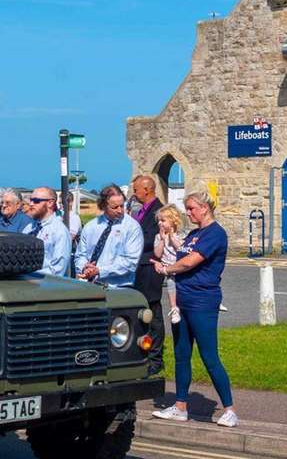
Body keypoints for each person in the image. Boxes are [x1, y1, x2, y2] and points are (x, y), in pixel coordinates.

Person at [150, 186, 237, 426]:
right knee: (181, 354)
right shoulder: (193, 235)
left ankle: (229, 409)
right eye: (187, 208)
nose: (188, 213)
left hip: (203, 300)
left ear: (205, 208)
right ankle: (180, 406)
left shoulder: (215, 234)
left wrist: (166, 269)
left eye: (191, 209)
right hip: (183, 300)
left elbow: (189, 262)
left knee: (209, 356)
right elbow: (180, 255)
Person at [129, 174, 166, 374]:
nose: (134, 194)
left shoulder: (158, 211)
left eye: (136, 190)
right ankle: (140, 351)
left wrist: (131, 241)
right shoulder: (140, 211)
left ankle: (155, 358)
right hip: (138, 267)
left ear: (147, 190)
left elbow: (153, 238)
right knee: (139, 313)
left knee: (153, 314)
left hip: (150, 266)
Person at [74, 184, 143, 287]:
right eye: (114, 207)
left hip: (118, 288)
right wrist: (84, 267)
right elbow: (81, 255)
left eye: (122, 206)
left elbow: (130, 262)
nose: (120, 210)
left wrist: (99, 271)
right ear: (103, 206)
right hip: (90, 286)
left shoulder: (132, 227)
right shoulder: (91, 226)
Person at [23, 187, 72, 277]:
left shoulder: (59, 231)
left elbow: (57, 270)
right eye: (31, 200)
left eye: (36, 201)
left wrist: (31, 276)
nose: (31, 204)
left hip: (46, 286)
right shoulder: (29, 228)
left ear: (50, 203)